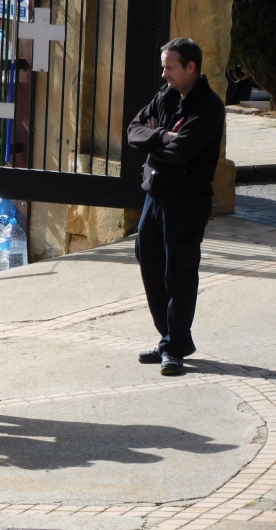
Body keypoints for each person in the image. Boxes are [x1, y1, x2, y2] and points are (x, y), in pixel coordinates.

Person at [127, 38, 225, 376]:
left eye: (170, 67)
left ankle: (174, 346)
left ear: (190, 68)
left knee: (178, 274)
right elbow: (133, 131)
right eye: (163, 66)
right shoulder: (165, 96)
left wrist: (157, 142)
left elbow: (183, 152)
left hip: (186, 202)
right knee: (150, 262)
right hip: (154, 196)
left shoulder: (209, 106)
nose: (164, 73)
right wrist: (161, 138)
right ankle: (172, 338)